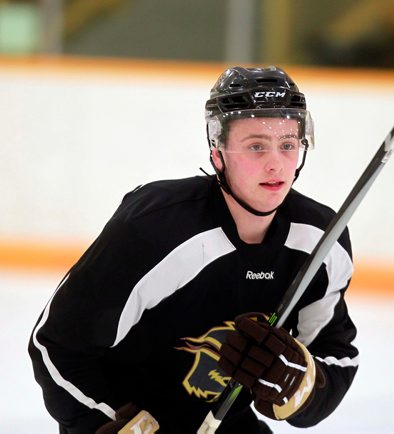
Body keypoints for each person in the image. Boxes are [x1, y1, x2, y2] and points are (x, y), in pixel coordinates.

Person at [29, 66, 359, 433]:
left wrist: (303, 387)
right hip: (125, 417)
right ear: (218, 153)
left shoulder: (320, 241)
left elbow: (335, 355)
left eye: (287, 144)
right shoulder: (153, 228)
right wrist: (103, 423)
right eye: (255, 146)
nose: (275, 163)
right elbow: (56, 345)